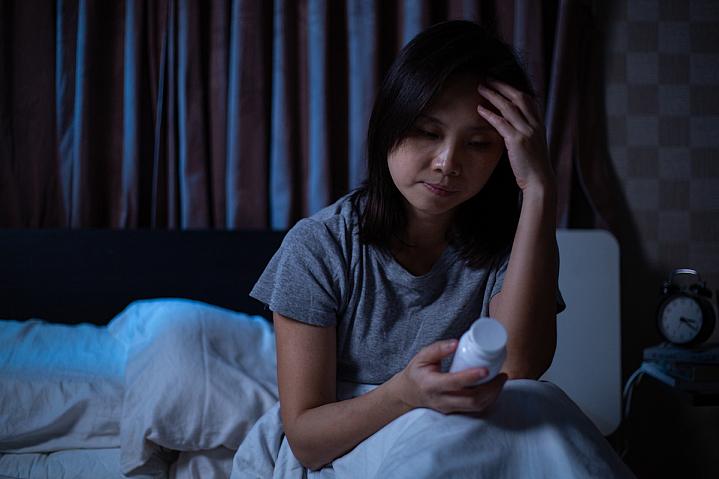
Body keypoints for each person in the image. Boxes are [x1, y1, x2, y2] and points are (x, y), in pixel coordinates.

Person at [231, 20, 634, 478]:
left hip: (472, 435)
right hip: (352, 441)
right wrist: (407, 394)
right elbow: (305, 441)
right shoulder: (320, 247)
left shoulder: (513, 244)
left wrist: (539, 187)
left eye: (479, 144)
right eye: (427, 132)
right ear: (389, 126)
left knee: (538, 404)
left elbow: (520, 369)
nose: (447, 164)